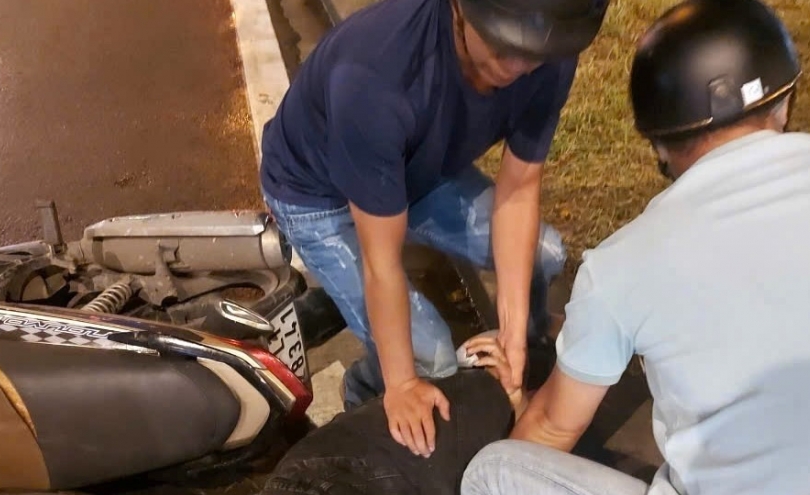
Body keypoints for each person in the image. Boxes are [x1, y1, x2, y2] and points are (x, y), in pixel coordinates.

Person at [460, 0, 810, 493]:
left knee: (494, 470)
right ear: (784, 101)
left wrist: (518, 402)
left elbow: (553, 428)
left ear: (659, 144)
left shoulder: (622, 264)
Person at [259, 0, 610, 459]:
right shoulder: (375, 75)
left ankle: (527, 350)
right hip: (318, 196)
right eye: (502, 45)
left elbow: (520, 189)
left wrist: (513, 335)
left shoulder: (551, 47)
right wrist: (403, 382)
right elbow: (381, 263)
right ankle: (367, 391)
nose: (517, 67)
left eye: (533, 54)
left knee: (545, 254)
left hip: (416, 174)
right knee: (433, 360)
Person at [259, 333, 528, 495]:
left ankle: (361, 385)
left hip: (327, 478)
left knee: (493, 394)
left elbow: (381, 273)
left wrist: (402, 383)